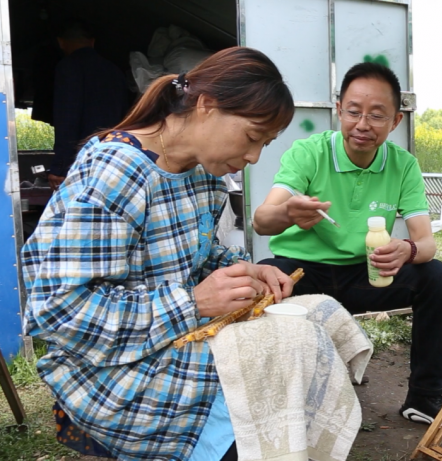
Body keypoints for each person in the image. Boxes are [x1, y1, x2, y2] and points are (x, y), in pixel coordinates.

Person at [22, 47, 296, 460]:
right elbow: (60, 312)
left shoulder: (204, 175)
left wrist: (245, 271)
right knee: (256, 404)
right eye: (252, 137)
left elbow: (198, 254)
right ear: (206, 105)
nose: (253, 157)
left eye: (265, 144)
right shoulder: (118, 171)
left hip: (168, 339)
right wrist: (193, 302)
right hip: (107, 370)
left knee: (297, 345)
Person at [253, 62, 442, 430]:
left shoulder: (403, 166)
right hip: (303, 273)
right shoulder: (309, 153)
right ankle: (271, 403)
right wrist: (288, 213)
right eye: (354, 111)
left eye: (377, 115)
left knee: (435, 276)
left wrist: (408, 250)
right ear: (339, 110)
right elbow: (261, 220)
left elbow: (425, 242)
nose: (363, 124)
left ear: (396, 121)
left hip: (366, 275)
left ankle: (424, 398)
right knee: (262, 278)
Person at [49, 21, 129, 190]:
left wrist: (60, 167)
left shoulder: (68, 67)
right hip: (113, 157)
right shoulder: (114, 70)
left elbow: (67, 118)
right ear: (92, 42)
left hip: (81, 160)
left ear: (61, 42)